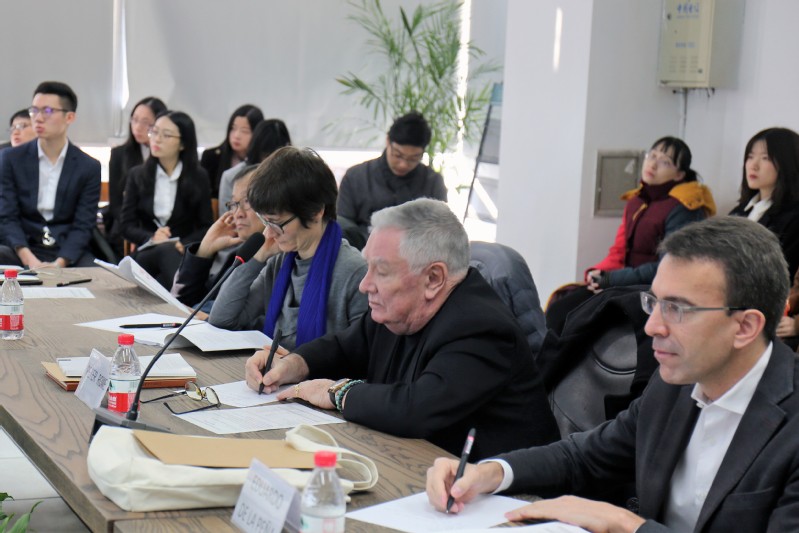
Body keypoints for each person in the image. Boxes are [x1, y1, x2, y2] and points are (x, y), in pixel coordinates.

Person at [427, 215, 799, 532]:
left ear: (745, 327)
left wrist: (626, 525)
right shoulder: (675, 382)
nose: (651, 326)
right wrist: (491, 472)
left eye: (677, 309)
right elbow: (585, 455)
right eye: (654, 302)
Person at [246, 198, 560, 460]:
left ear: (434, 278)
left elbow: (416, 408)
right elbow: (344, 346)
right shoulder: (399, 309)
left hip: (506, 499)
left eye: (381, 271)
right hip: (419, 467)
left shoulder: (481, 329)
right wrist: (293, 364)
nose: (365, 284)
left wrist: (337, 392)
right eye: (368, 267)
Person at [546, 136, 716, 333]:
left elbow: (669, 266)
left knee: (573, 317)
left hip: (653, 291)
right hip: (625, 284)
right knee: (561, 304)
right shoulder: (637, 201)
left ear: (679, 175)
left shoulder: (684, 208)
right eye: (652, 156)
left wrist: (612, 279)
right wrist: (599, 275)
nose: (653, 164)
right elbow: (619, 251)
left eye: (665, 162)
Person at [208, 146, 367, 351]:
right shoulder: (280, 262)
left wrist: (293, 363)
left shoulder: (354, 273)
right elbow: (222, 320)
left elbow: (361, 357)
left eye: (276, 223)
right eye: (265, 221)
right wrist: (257, 258)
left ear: (316, 211)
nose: (269, 232)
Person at [0, 81, 101, 267]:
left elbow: (83, 225)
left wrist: (59, 264)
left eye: (47, 111)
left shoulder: (88, 167)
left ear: (69, 117)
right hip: (22, 247)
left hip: (65, 251)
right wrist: (29, 260)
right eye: (34, 111)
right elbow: (7, 216)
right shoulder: (11, 159)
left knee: (97, 275)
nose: (38, 118)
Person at [120, 111, 212, 288]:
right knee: (165, 250)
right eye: (154, 132)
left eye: (166, 135)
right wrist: (152, 236)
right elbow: (125, 226)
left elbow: (205, 226)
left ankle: (179, 296)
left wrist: (182, 244)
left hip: (181, 254)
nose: (157, 139)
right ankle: (186, 299)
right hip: (146, 254)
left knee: (167, 262)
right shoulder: (137, 175)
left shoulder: (198, 177)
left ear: (183, 144)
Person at [337, 111, 447, 249]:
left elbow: (440, 229)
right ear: (388, 141)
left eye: (413, 159)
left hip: (414, 255)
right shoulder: (356, 177)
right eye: (398, 155)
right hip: (362, 252)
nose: (403, 164)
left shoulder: (433, 182)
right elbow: (343, 225)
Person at [171, 164, 265, 311]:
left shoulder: (278, 260)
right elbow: (183, 300)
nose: (238, 213)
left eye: (247, 201)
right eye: (234, 204)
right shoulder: (238, 256)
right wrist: (204, 250)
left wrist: (208, 317)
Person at [730, 127, 799, 284]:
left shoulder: (794, 219)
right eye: (750, 157)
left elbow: (779, 276)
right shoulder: (738, 212)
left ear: (788, 163)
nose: (753, 165)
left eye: (765, 158)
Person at [105, 96, 167, 256]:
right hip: (127, 225)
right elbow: (116, 204)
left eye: (146, 122)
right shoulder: (119, 154)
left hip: (161, 226)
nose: (138, 127)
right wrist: (135, 234)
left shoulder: (167, 155)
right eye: (135, 120)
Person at [217, 118, 291, 209]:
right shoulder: (231, 177)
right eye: (266, 155)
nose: (271, 162)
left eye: (277, 156)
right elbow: (226, 215)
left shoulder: (291, 175)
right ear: (256, 150)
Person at [200, 104, 263, 198]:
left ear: (257, 134)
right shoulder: (211, 157)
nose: (236, 136)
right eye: (233, 128)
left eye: (244, 131)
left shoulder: (263, 161)